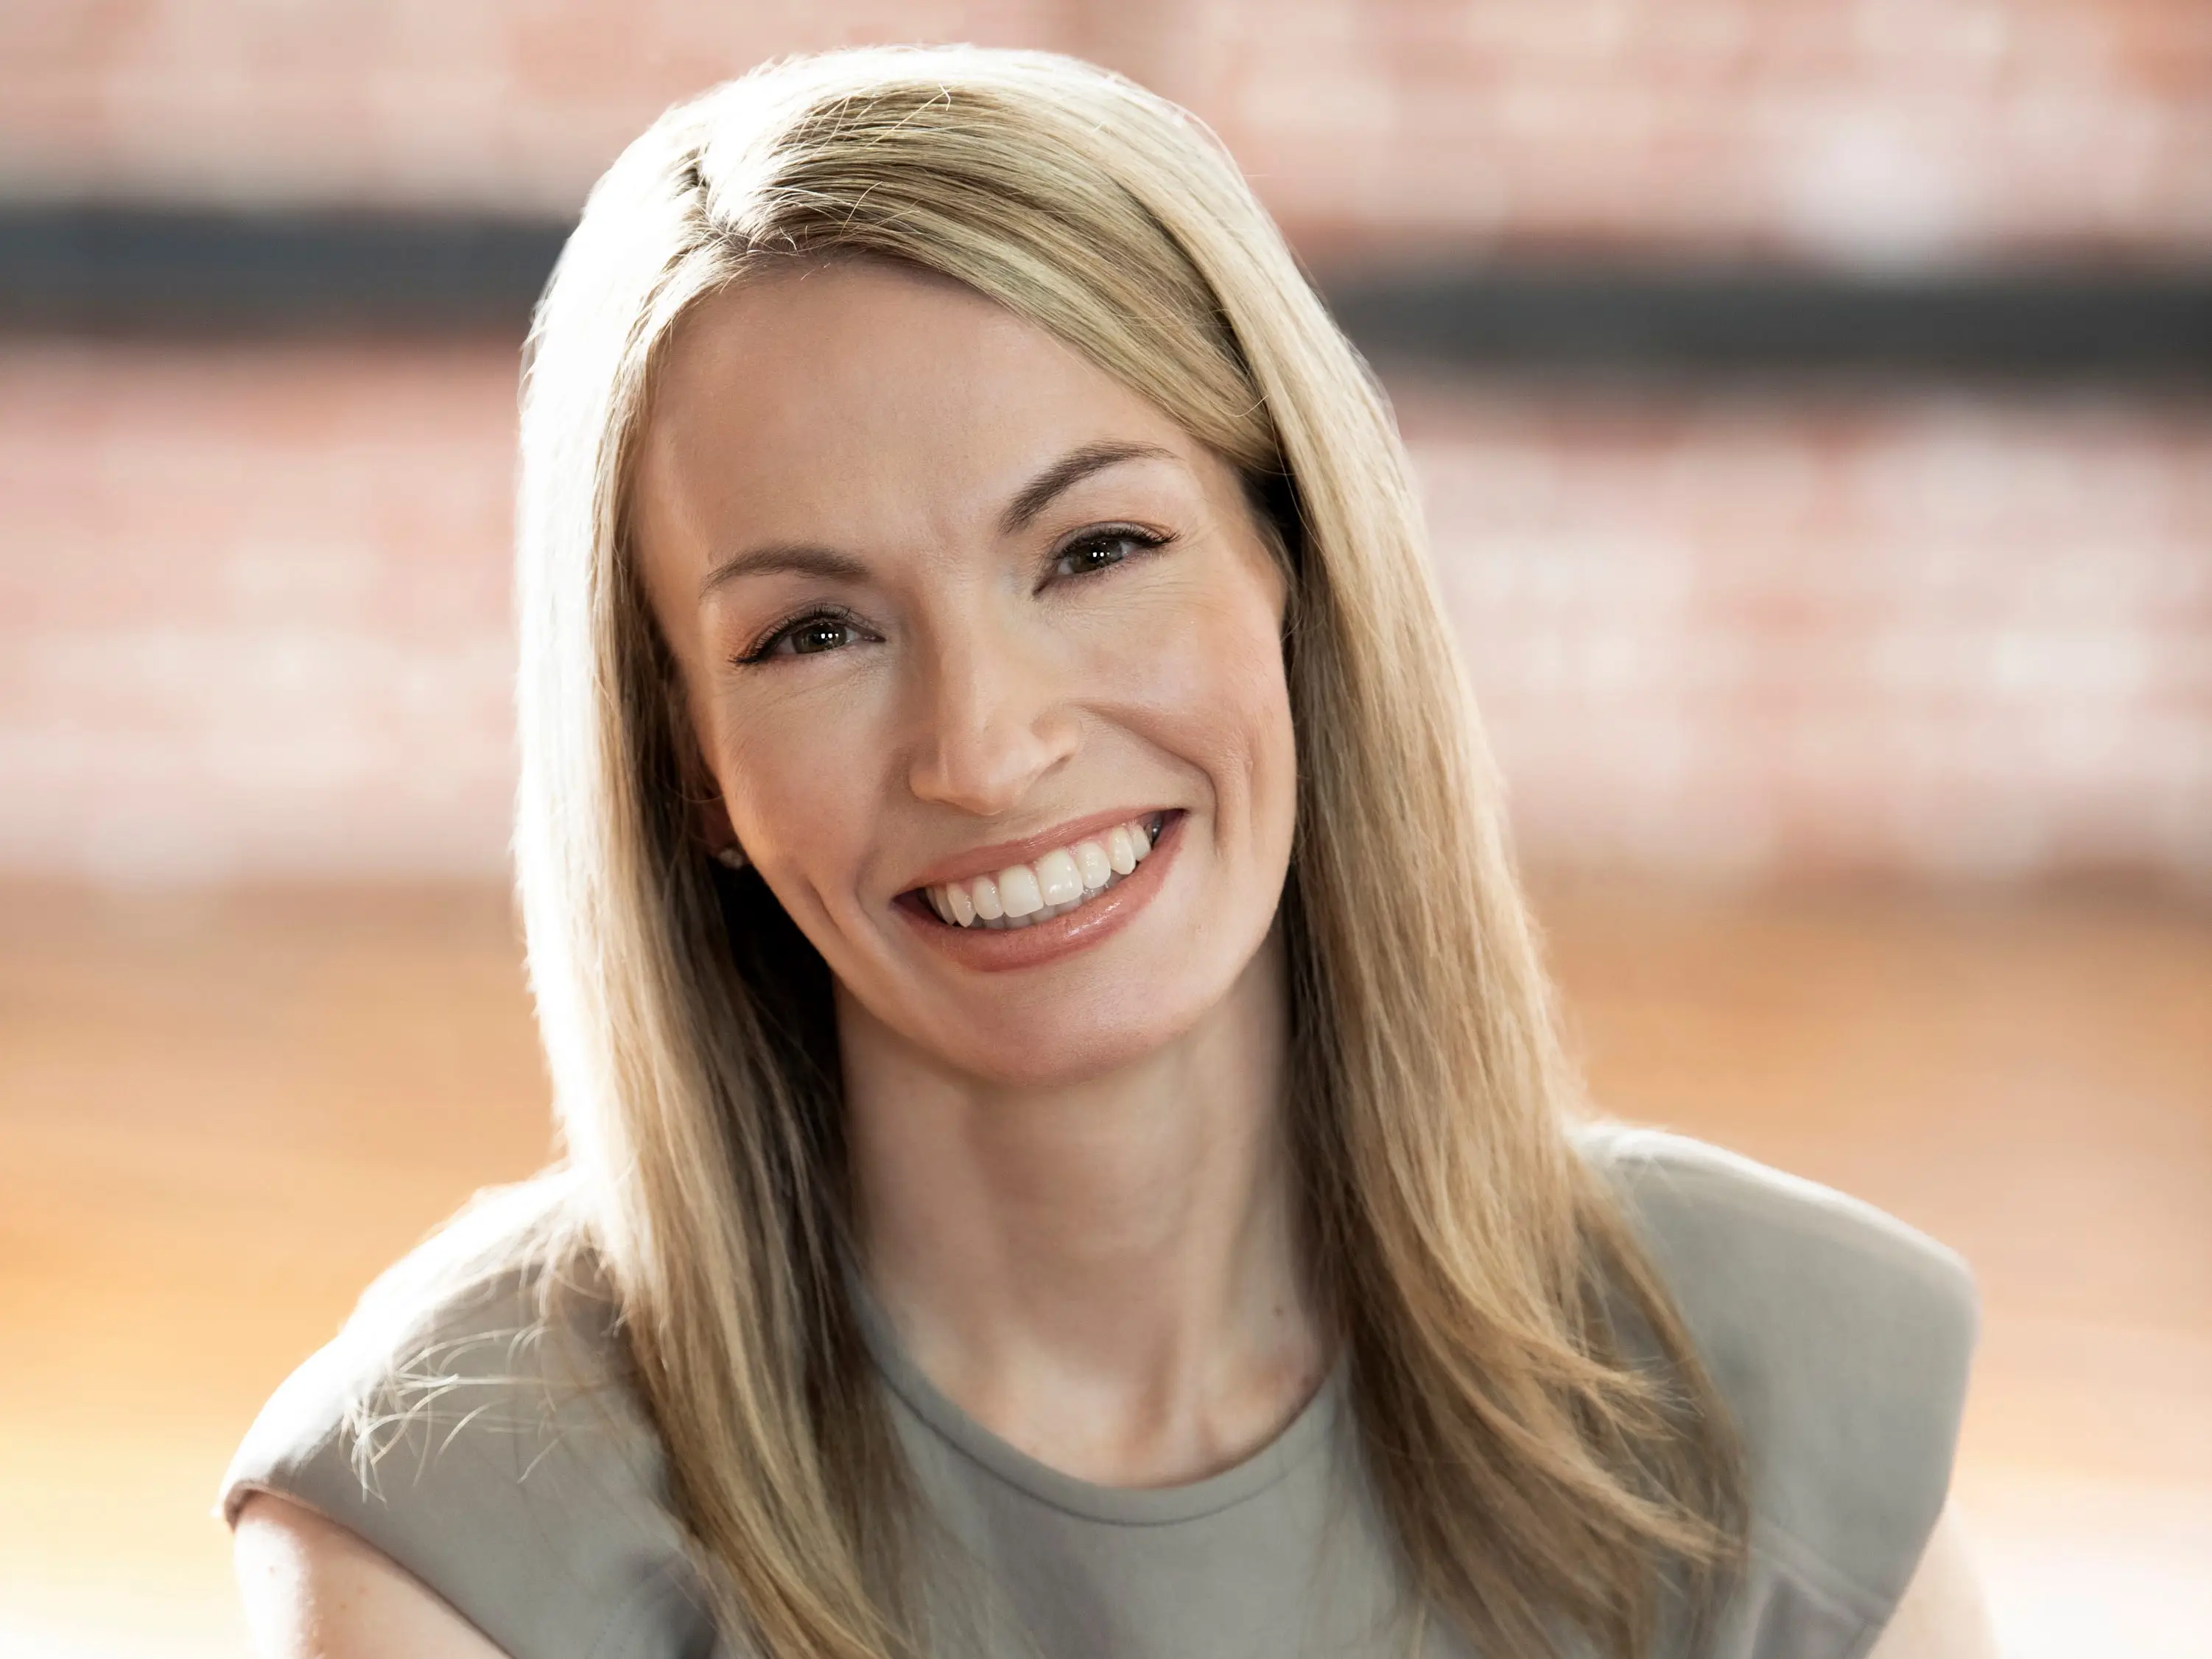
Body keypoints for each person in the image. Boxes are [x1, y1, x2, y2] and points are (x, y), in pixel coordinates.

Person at [225, 46, 1994, 1659]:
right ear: (687, 765)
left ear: (1292, 568)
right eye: (812, 634)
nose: (987, 753)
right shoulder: (455, 1523)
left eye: (1093, 550)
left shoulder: (1778, 1406)